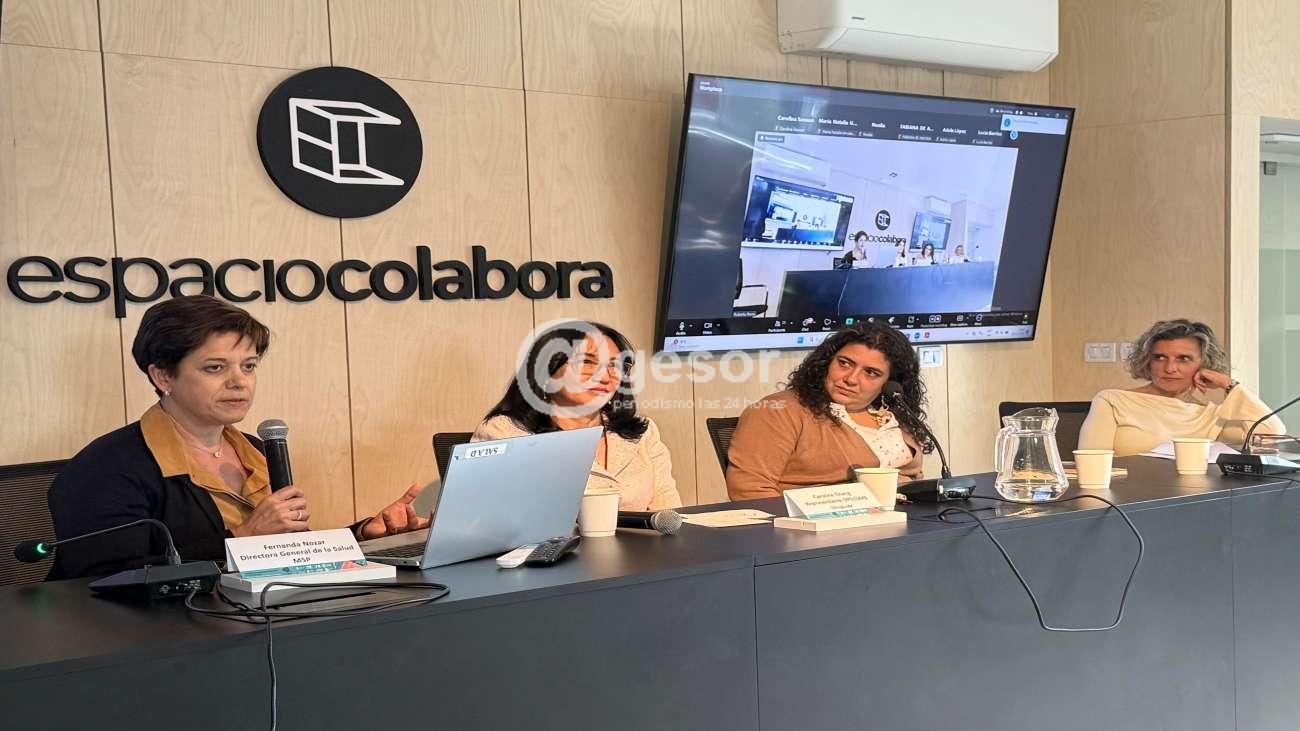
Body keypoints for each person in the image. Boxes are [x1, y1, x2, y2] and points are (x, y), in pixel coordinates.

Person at [47, 296, 429, 579]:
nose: (239, 382)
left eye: (248, 366)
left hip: (260, 619)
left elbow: (289, 551)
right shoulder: (108, 468)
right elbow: (107, 580)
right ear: (163, 376)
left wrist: (364, 536)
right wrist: (243, 539)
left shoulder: (256, 449)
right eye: (215, 368)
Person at [473, 320, 682, 511]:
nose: (605, 376)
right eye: (587, 362)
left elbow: (669, 512)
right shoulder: (504, 433)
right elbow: (489, 516)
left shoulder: (642, 432)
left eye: (614, 365)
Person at [726, 323, 931, 500]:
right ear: (826, 362)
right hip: (819, 524)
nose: (851, 379)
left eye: (870, 372)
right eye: (844, 363)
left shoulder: (892, 412)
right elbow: (750, 489)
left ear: (889, 382)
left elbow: (913, 477)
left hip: (905, 519)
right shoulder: (779, 411)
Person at [1078, 319, 1286, 456]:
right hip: (1126, 501)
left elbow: (1271, 434)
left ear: (1205, 364)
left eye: (1183, 359)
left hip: (1190, 501)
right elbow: (1090, 462)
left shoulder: (1212, 416)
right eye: (1160, 358)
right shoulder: (1112, 401)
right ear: (1147, 361)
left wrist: (1228, 384)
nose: (1170, 368)